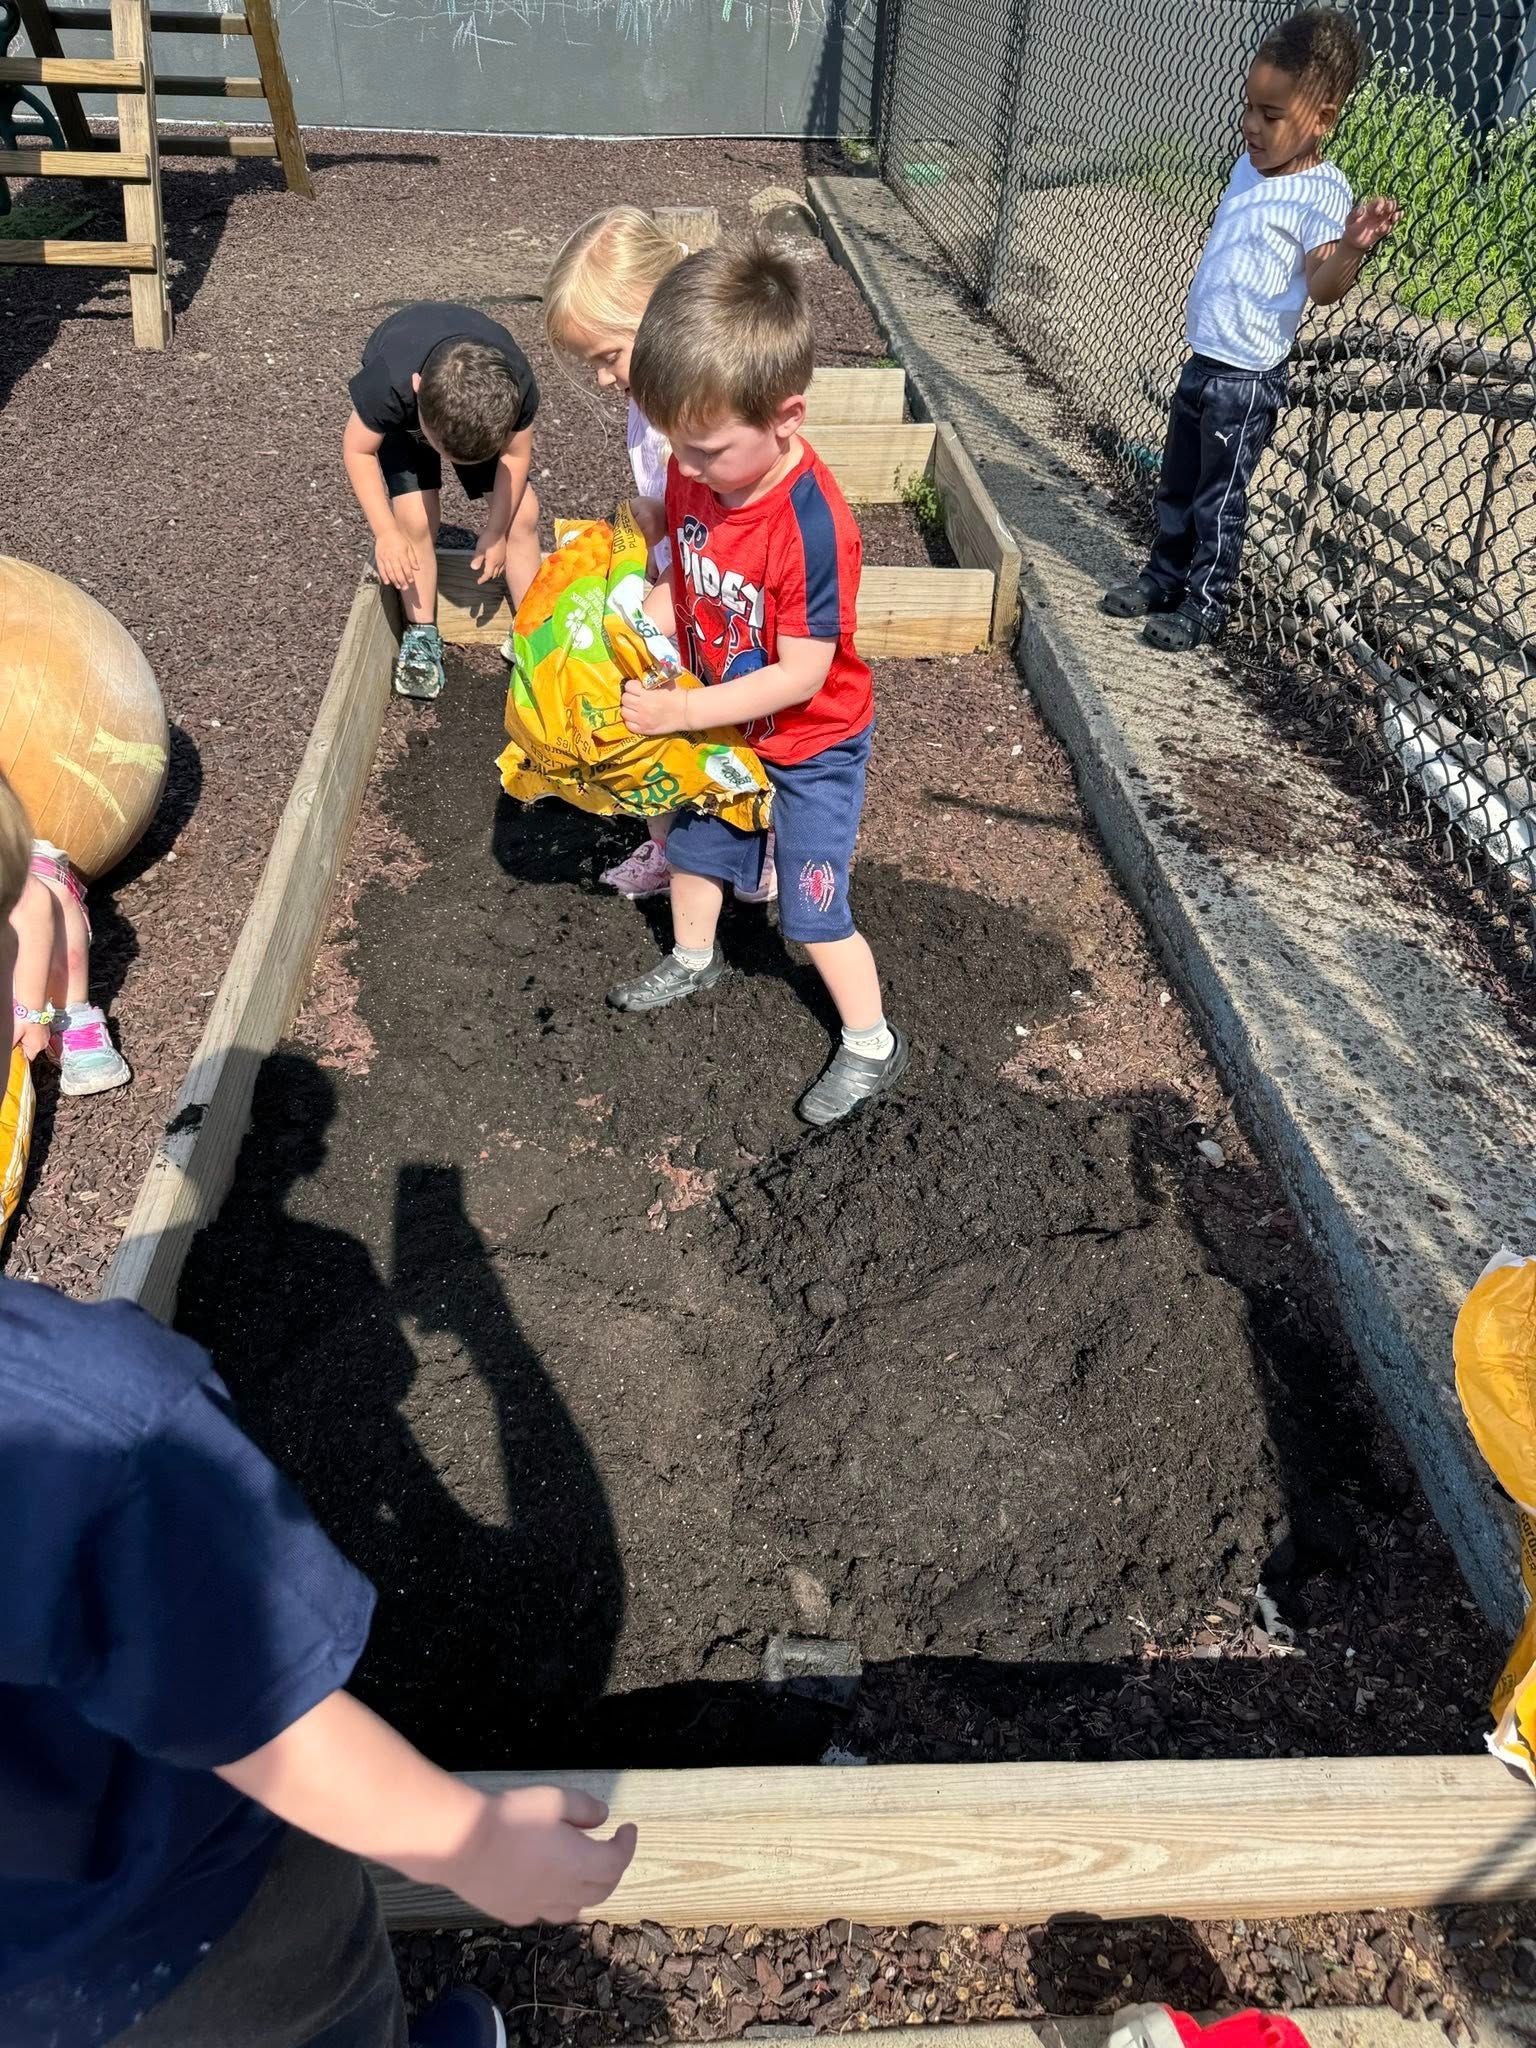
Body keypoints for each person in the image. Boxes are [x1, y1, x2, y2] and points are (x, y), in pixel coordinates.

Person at [0, 775, 635, 2048]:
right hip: (188, 1934)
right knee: (326, 2009)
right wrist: (469, 1837)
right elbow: (258, 1709)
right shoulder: (95, 1421)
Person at [610, 238, 908, 1128]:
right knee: (696, 850)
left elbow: (802, 672)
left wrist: (680, 709)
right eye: (675, 446)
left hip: (811, 744)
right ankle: (694, 958)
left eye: (704, 450)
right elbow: (690, 577)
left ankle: (871, 1043)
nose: (685, 467)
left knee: (813, 912)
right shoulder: (693, 471)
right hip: (726, 725)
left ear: (786, 417)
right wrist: (649, 603)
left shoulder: (810, 527)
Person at [1102, 7, 1399, 652]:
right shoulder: (1247, 167)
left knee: (1218, 498)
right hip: (1203, 357)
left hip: (1247, 377)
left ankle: (1205, 604)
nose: (1251, 125)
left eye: (1271, 115)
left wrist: (1352, 247)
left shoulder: (1322, 192)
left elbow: (1322, 286)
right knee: (1177, 483)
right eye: (1248, 108)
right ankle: (1163, 577)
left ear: (1321, 120)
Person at [543, 207, 778, 909]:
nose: (602, 378)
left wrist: (669, 589)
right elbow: (680, 495)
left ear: (654, 319)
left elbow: (737, 516)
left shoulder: (704, 404)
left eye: (607, 356)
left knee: (729, 719)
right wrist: (655, 517)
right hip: (680, 576)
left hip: (721, 590)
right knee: (650, 706)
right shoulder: (648, 401)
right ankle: (673, 845)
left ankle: (762, 840)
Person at [343, 304, 542, 699]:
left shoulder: (514, 386)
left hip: (472, 409)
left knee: (523, 514)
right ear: (417, 388)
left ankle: (532, 630)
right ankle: (421, 632)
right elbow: (357, 450)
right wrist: (386, 533)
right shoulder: (390, 384)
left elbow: (516, 456)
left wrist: (497, 532)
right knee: (414, 519)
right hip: (409, 415)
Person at [8, 826, 130, 1096]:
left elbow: (32, 902)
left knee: (49, 891)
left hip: (28, 891)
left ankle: (67, 1010)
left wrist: (31, 1012)